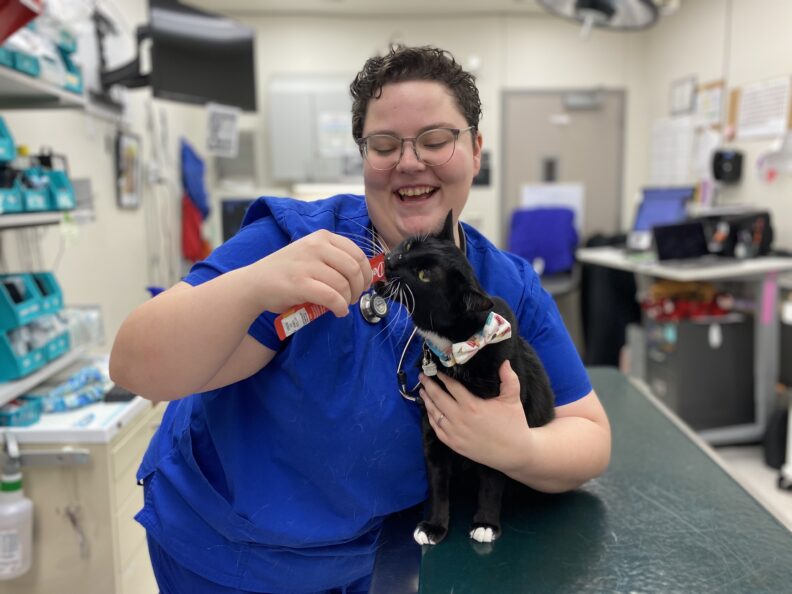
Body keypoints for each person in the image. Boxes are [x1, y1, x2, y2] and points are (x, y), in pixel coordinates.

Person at [110, 45, 611, 594]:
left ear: (475, 150)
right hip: (229, 555)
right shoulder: (294, 242)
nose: (409, 161)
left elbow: (588, 435)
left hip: (370, 560)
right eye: (384, 144)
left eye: (436, 139)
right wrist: (253, 284)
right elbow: (134, 367)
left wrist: (518, 450)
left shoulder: (504, 285)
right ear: (363, 155)